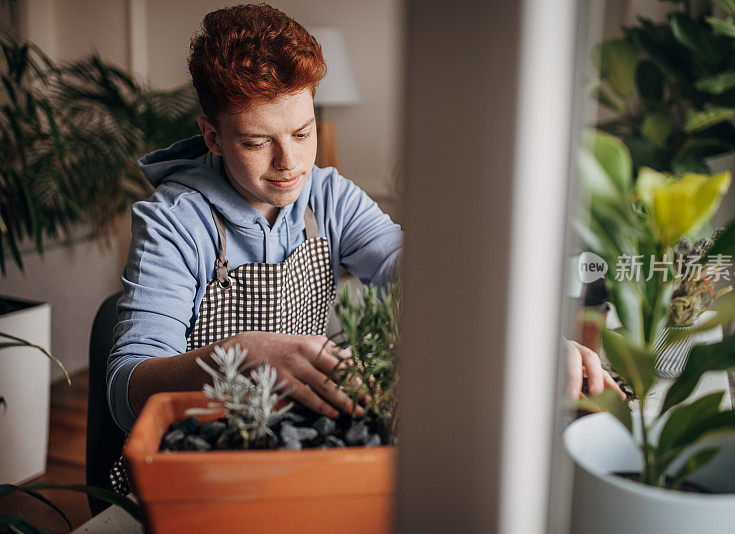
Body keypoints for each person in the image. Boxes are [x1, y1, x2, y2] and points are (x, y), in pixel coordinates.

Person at [107, 4, 620, 437]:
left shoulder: (328, 195)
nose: (289, 163)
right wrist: (240, 355)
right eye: (257, 142)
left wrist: (521, 337)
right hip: (202, 447)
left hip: (300, 433)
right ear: (213, 137)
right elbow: (124, 387)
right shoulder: (173, 222)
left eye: (303, 132)